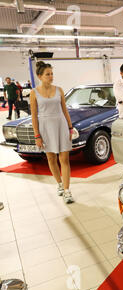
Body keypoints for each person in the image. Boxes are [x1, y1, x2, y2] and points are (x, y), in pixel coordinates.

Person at [30, 61, 74, 204]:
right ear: (40, 76)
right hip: (45, 127)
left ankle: (67, 191)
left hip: (60, 125)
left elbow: (65, 110)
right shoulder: (34, 93)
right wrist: (37, 135)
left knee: (64, 159)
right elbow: (34, 116)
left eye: (52, 74)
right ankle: (59, 184)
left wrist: (70, 127)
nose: (51, 76)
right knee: (51, 159)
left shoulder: (59, 90)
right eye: (47, 74)